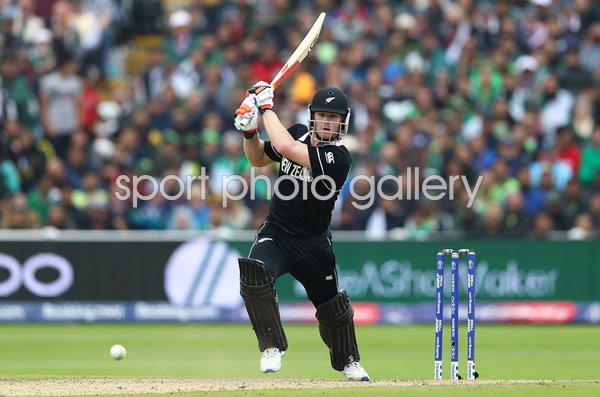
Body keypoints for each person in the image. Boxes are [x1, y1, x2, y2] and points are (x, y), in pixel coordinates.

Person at [233, 81, 369, 381]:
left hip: (314, 244)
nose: (327, 122)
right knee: (255, 272)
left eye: (334, 118)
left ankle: (348, 361)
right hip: (277, 234)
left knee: (331, 306)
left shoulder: (339, 157)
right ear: (313, 116)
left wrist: (266, 107)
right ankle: (271, 346)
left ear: (343, 122)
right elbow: (257, 158)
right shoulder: (295, 131)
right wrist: (250, 131)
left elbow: (285, 148)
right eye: (323, 115)